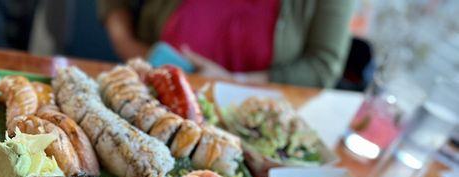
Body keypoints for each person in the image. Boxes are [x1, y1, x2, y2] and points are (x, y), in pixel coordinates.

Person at [98, 0, 355, 88]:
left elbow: (323, 66)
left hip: (240, 119)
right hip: (144, 80)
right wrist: (127, 44)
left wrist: (233, 83)